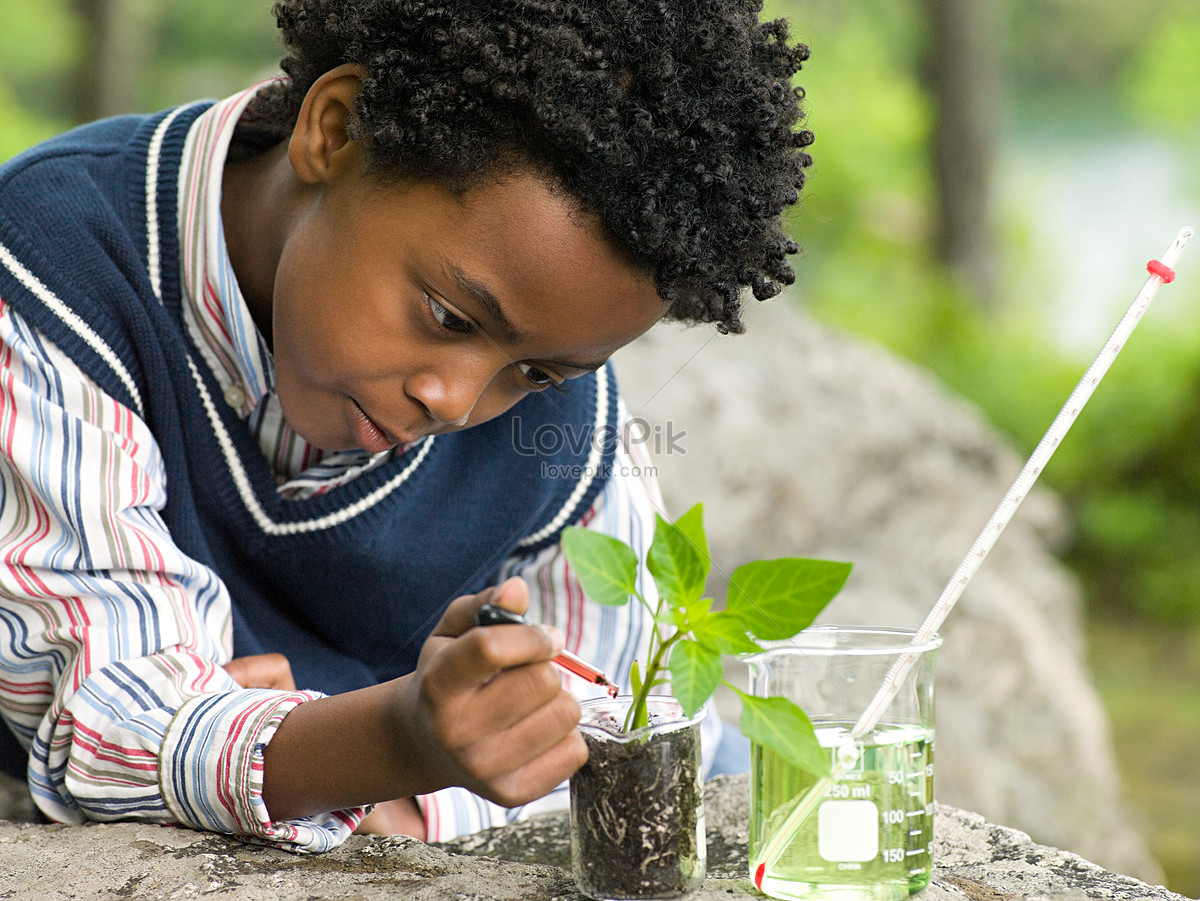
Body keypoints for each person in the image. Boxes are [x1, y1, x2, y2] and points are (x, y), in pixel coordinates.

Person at [0, 0, 812, 850]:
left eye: (534, 371)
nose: (458, 403)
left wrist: (391, 792)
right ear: (335, 130)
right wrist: (395, 741)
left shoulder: (565, 432)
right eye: (448, 316)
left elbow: (638, 735)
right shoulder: (55, 279)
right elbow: (108, 729)